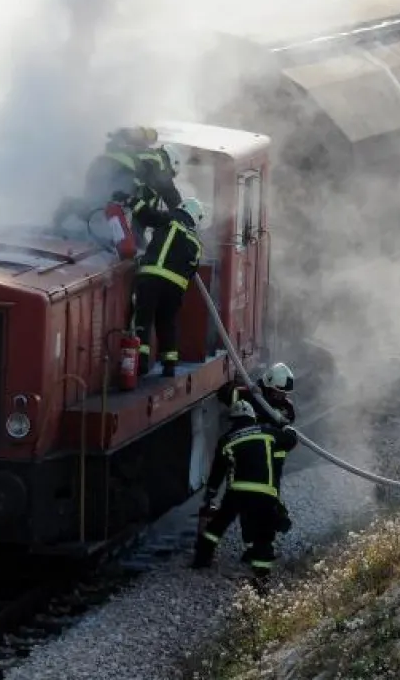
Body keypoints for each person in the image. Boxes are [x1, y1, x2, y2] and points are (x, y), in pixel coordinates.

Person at [191, 399, 298, 580]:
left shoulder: (227, 440)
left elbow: (217, 472)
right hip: (264, 492)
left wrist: (211, 494)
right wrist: (286, 426)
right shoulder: (267, 432)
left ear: (233, 420)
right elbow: (291, 440)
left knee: (217, 526)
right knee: (263, 535)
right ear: (252, 417)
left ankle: (201, 560)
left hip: (237, 492)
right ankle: (261, 577)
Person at [217, 363, 296, 531]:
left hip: (273, 458)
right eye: (278, 392)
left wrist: (257, 398)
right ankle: (258, 527)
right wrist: (246, 390)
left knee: (270, 491)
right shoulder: (248, 394)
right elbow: (223, 393)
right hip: (249, 455)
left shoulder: (285, 407)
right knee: (248, 492)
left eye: (284, 393)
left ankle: (273, 519)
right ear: (268, 384)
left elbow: (280, 419)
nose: (281, 396)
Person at [131, 197, 204, 378]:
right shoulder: (196, 242)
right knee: (167, 323)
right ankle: (169, 365)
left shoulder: (171, 220)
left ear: (182, 209)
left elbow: (147, 216)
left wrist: (133, 201)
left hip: (152, 277)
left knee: (144, 319)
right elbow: (193, 270)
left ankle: (141, 363)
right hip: (175, 288)